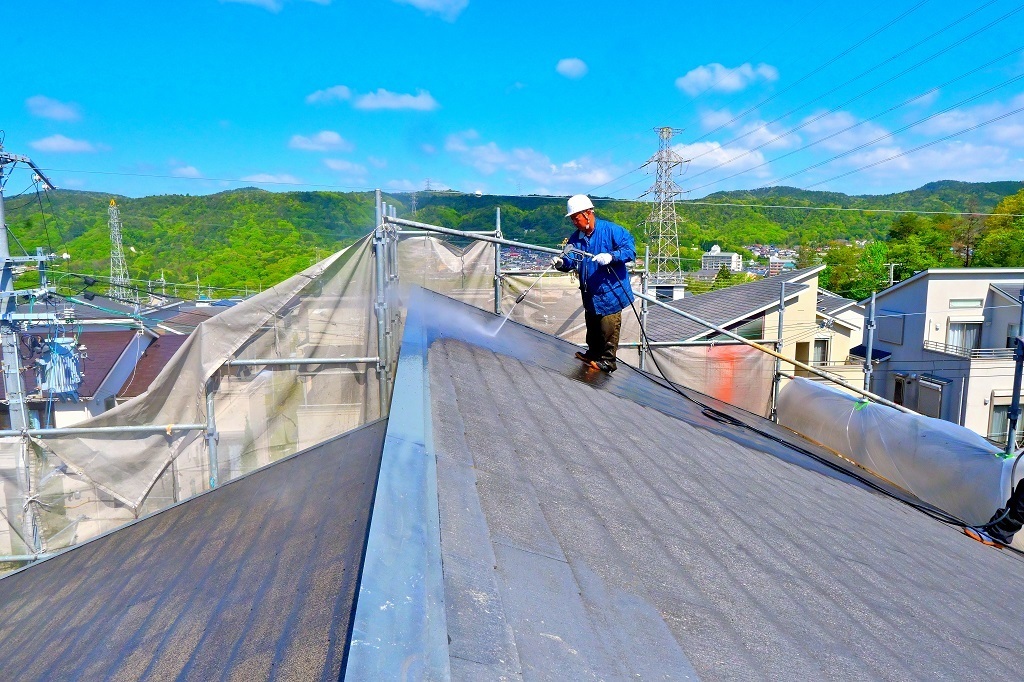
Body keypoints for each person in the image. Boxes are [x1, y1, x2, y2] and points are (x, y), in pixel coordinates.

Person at [552, 194, 636, 372]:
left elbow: (630, 250)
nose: (574, 222)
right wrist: (561, 264)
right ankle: (593, 353)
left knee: (608, 327)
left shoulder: (611, 230)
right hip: (590, 291)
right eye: (573, 219)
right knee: (592, 325)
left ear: (588, 213)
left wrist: (612, 257)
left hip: (610, 291)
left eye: (576, 218)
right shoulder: (576, 238)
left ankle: (607, 361)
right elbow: (570, 260)